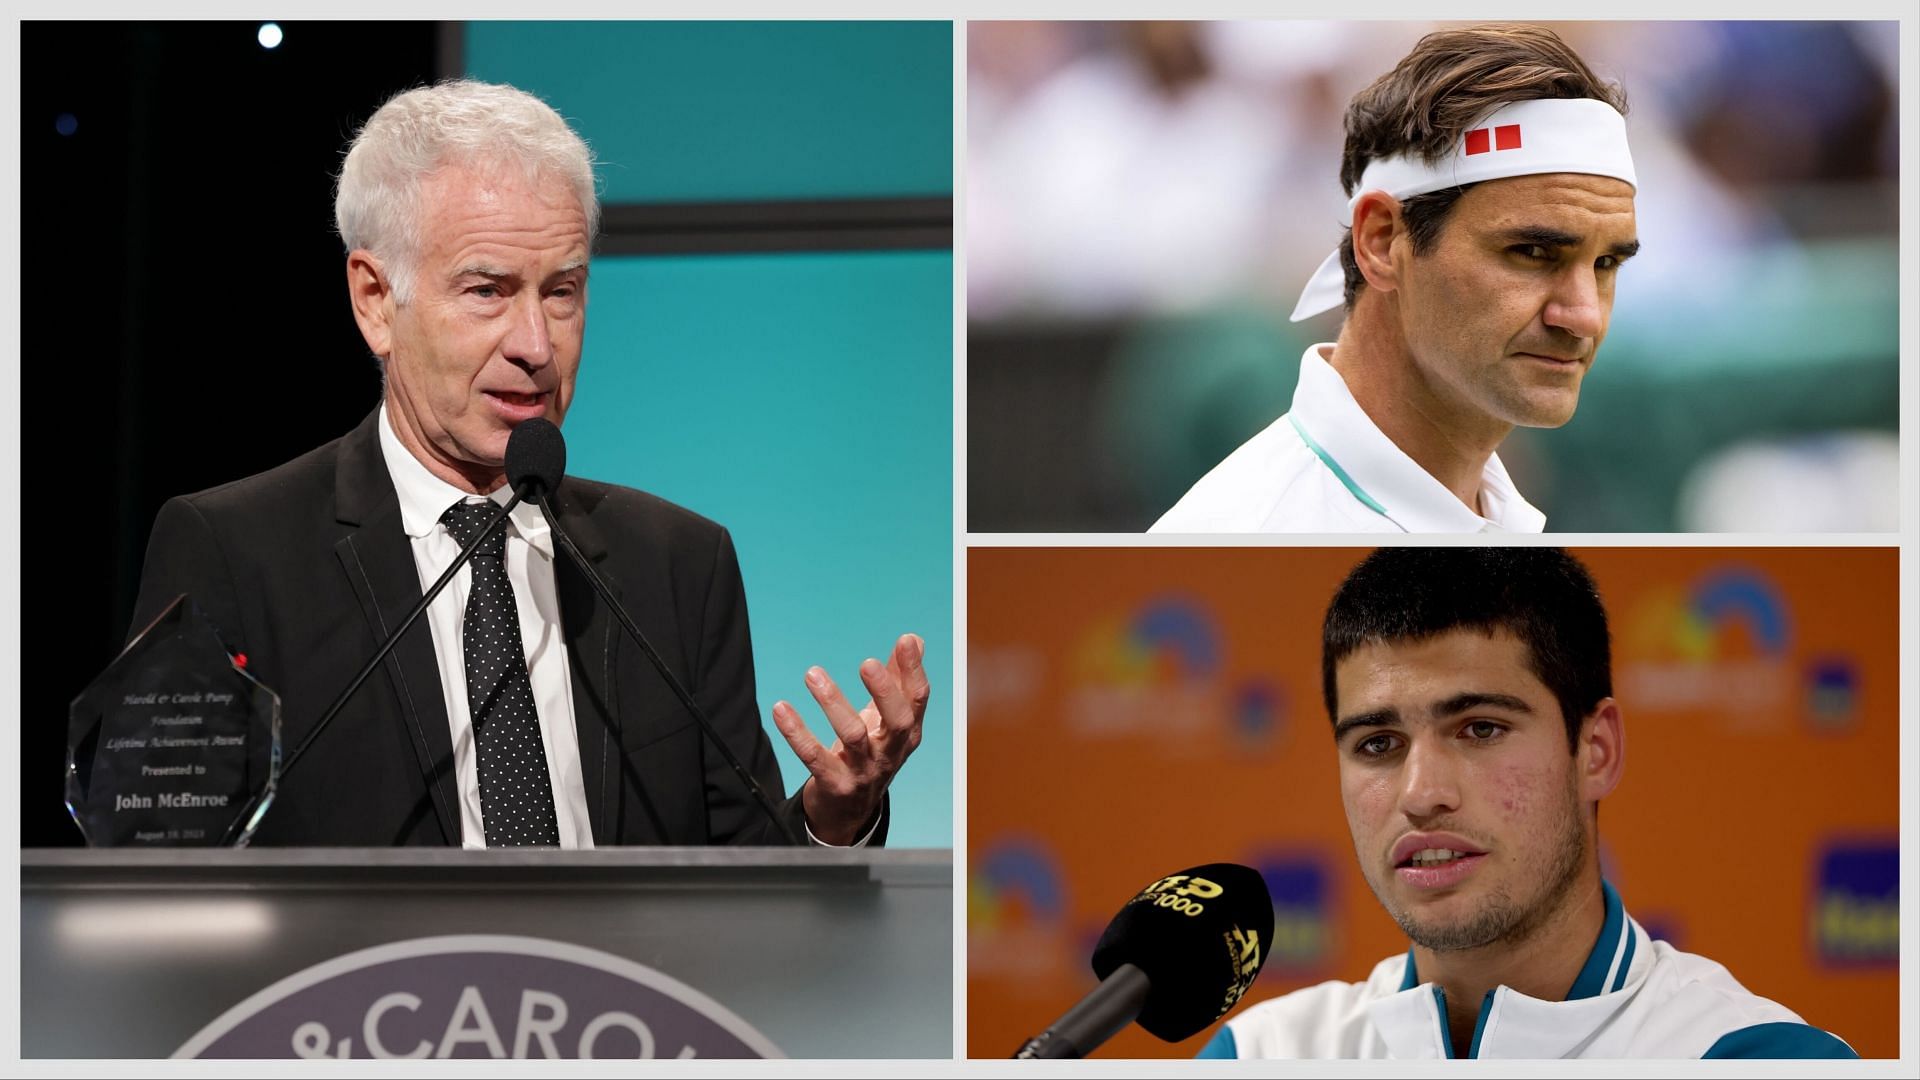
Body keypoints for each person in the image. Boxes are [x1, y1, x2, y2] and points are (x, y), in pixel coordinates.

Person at [127, 80, 927, 848]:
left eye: (562, 292)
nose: (537, 347)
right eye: (487, 290)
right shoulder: (235, 554)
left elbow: (742, 902)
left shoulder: (679, 565)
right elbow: (160, 875)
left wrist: (834, 815)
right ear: (375, 300)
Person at [1199, 548, 1855, 1058]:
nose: (1422, 793)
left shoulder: (1746, 1053)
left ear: (1595, 749)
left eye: (1480, 728)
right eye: (1377, 744)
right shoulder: (1264, 1052)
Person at [1153, 25, 1640, 533]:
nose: (1584, 315)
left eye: (1606, 263)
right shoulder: (1241, 541)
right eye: (1533, 252)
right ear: (1381, 242)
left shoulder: (1499, 515)